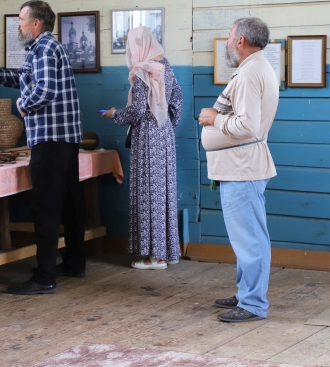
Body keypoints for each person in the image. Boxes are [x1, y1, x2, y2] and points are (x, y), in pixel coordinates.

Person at [0, 0, 85, 295]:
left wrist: (23, 106)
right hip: (65, 138)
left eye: (20, 19)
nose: (17, 24)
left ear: (36, 23)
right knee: (70, 204)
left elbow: (43, 90)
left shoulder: (43, 48)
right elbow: (22, 78)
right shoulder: (45, 47)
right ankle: (74, 263)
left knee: (45, 208)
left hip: (50, 139)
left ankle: (45, 278)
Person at [198, 17, 279, 323]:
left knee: (250, 239)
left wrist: (212, 120)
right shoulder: (255, 68)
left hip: (243, 169)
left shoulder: (249, 74)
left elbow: (247, 126)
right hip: (240, 167)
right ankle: (247, 291)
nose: (228, 42)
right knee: (246, 237)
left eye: (230, 37)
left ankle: (253, 303)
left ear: (242, 41)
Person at [101, 26, 183, 270]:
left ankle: (153, 258)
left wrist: (114, 114)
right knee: (164, 192)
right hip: (164, 134)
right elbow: (177, 100)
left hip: (147, 137)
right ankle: (168, 252)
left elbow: (136, 111)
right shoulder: (166, 66)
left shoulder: (142, 71)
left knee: (148, 193)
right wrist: (165, 124)